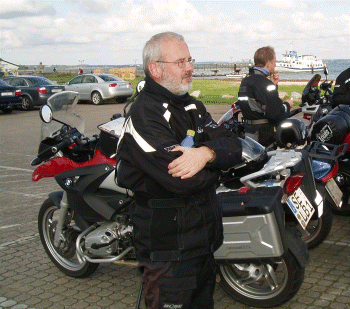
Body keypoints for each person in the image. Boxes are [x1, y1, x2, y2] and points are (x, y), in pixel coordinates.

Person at [116, 32, 242, 309]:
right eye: (181, 61)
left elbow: (235, 145)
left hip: (203, 243)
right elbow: (182, 181)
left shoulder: (192, 106)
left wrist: (206, 154)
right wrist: (219, 166)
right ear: (155, 68)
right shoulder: (144, 114)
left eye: (190, 59)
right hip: (168, 250)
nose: (190, 68)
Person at [237, 46, 294, 147]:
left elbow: (257, 103)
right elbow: (276, 114)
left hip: (249, 132)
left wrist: (274, 85)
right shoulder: (265, 83)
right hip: (263, 137)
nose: (275, 65)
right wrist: (287, 105)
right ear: (268, 64)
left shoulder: (245, 81)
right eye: (274, 62)